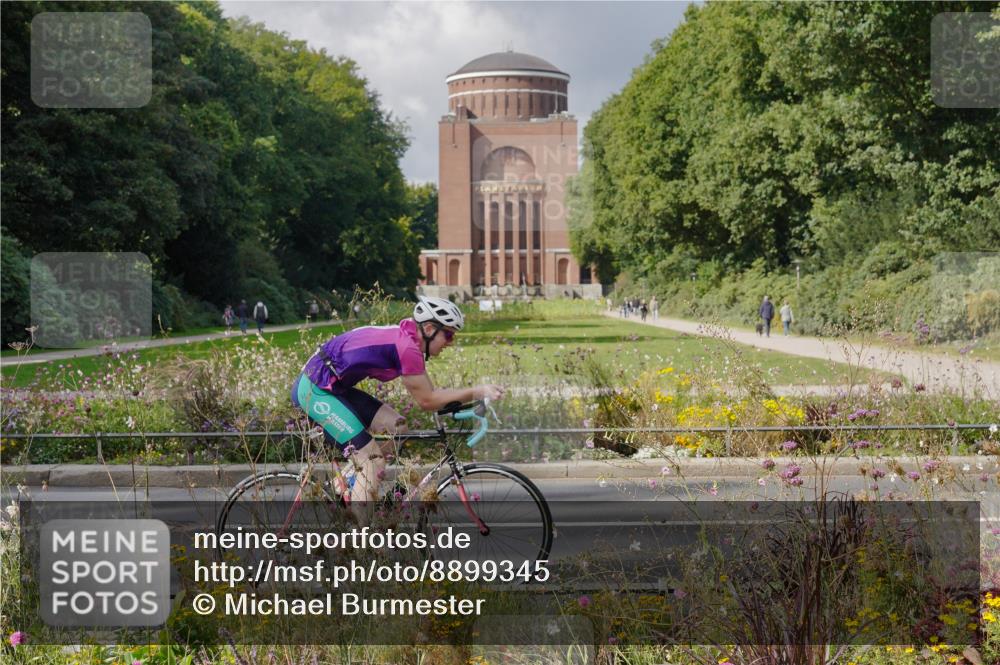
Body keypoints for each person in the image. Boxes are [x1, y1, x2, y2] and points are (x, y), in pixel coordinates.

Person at [291, 296, 504, 509]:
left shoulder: (409, 341)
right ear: (429, 329)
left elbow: (432, 394)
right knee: (372, 462)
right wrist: (476, 391)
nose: (451, 342)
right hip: (313, 390)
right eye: (448, 335)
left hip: (334, 388)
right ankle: (357, 538)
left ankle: (348, 482)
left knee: (398, 427)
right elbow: (427, 401)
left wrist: (465, 400)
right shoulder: (407, 347)